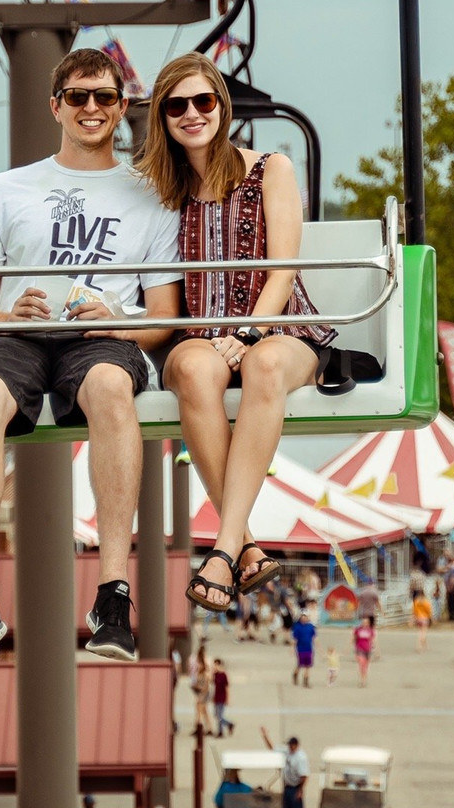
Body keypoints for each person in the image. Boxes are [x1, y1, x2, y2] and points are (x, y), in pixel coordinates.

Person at [0, 49, 182, 668]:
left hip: (101, 338)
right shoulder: (6, 189)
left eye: (104, 97)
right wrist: (8, 316)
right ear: (56, 106)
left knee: (108, 387)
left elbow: (161, 314)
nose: (92, 108)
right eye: (78, 97)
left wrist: (120, 322)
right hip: (16, 336)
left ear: (122, 107)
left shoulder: (151, 196)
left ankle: (112, 593)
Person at [138, 51, 341, 612]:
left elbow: (284, 269)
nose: (192, 114)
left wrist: (250, 333)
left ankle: (225, 545)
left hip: (283, 329)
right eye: (176, 105)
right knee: (190, 367)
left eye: (203, 101)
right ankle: (245, 546)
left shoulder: (269, 169)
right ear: (162, 117)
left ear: (222, 108)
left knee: (265, 365)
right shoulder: (160, 189)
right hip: (201, 333)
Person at [261, 728, 309, 808]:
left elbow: (304, 776)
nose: (290, 746)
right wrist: (265, 736)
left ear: (296, 745)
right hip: (287, 787)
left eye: (292, 745)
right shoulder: (287, 751)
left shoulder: (301, 757)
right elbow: (272, 748)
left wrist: (300, 790)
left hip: (295, 787)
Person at [189, 644, 214, 735]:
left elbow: (206, 686)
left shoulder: (204, 674)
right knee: (203, 710)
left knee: (199, 710)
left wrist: (201, 693)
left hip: (204, 693)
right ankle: (209, 727)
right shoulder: (201, 672)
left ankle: (198, 726)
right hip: (202, 692)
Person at [290, 610, 316, 687]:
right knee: (300, 664)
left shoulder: (311, 627)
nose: (304, 619)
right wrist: (292, 648)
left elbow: (314, 637)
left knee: (308, 665)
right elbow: (295, 639)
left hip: (309, 648)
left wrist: (319, 648)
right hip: (300, 648)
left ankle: (306, 681)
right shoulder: (297, 627)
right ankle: (295, 674)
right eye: (302, 617)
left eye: (305, 617)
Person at [212, 657, 234, 737]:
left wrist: (228, 699)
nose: (214, 667)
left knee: (220, 715)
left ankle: (220, 731)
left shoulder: (224, 675)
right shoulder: (215, 674)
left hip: (222, 697)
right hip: (216, 697)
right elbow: (213, 685)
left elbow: (226, 687)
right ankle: (229, 724)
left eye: (216, 665)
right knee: (216, 715)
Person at [353, 615, 375, 687]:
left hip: (368, 650)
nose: (364, 623)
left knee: (366, 666)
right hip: (359, 649)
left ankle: (364, 680)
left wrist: (374, 650)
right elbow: (354, 639)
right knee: (361, 665)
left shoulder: (370, 630)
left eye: (366, 622)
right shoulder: (358, 629)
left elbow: (372, 641)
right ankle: (362, 681)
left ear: (368, 623)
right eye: (363, 622)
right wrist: (354, 651)